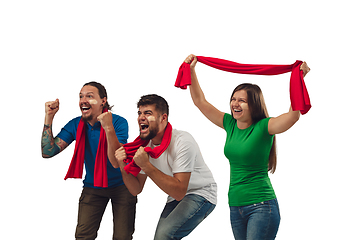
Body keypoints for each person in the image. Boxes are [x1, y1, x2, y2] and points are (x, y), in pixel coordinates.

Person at [183, 54, 310, 240]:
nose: (235, 103)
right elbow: (200, 102)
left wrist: (299, 80)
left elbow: (293, 116)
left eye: (241, 100)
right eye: (233, 99)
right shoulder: (230, 124)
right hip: (235, 207)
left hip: (261, 206)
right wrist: (192, 70)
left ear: (254, 104)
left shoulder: (264, 127)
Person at [110, 94, 217, 240]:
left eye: (148, 113)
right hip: (175, 195)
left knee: (164, 235)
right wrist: (123, 165)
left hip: (201, 193)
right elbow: (135, 189)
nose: (141, 117)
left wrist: (146, 166)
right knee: (160, 237)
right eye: (139, 113)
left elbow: (180, 191)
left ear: (163, 118)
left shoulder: (182, 141)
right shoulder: (143, 146)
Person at [41, 81, 137, 240]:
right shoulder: (75, 124)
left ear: (103, 101)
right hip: (93, 186)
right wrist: (49, 117)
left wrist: (108, 128)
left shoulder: (119, 122)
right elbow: (47, 152)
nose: (83, 100)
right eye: (81, 96)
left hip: (123, 185)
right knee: (83, 236)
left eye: (89, 96)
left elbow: (117, 159)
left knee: (122, 236)